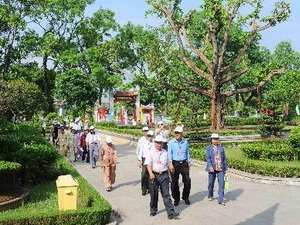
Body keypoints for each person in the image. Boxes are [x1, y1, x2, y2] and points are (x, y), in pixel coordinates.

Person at [144, 135, 179, 220]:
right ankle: (153, 209)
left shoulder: (165, 153)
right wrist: (151, 173)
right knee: (154, 194)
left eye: (161, 143)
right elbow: (148, 164)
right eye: (157, 143)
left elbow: (168, 164)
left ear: (163, 143)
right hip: (154, 176)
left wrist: (170, 172)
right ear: (155, 143)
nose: (159, 144)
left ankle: (170, 212)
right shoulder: (150, 152)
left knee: (166, 194)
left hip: (164, 175)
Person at [168, 126, 191, 206]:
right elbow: (169, 154)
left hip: (184, 163)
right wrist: (170, 164)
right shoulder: (171, 142)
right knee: (174, 183)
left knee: (187, 181)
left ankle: (185, 197)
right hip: (175, 163)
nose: (177, 134)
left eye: (178, 133)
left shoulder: (185, 142)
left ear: (182, 134)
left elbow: (187, 152)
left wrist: (189, 162)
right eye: (176, 133)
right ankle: (176, 199)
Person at [205, 133, 228, 206]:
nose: (215, 140)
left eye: (217, 139)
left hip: (220, 168)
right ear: (211, 140)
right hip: (212, 168)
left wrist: (225, 168)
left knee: (222, 183)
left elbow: (224, 158)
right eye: (214, 139)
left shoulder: (221, 148)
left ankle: (220, 199)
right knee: (211, 183)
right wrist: (210, 166)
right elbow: (208, 158)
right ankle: (210, 195)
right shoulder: (209, 148)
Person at [137, 130, 154, 196]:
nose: (149, 137)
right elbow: (140, 151)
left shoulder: (154, 142)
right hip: (144, 159)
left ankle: (150, 188)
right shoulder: (143, 142)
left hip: (152, 160)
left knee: (151, 174)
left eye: (150, 136)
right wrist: (139, 160)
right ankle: (143, 189)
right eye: (148, 136)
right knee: (144, 174)